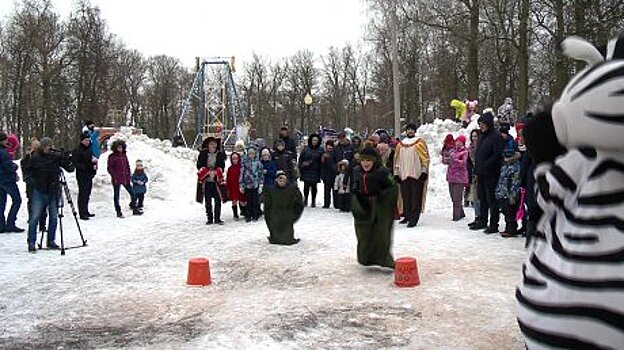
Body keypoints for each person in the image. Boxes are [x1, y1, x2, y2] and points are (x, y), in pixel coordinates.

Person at [351, 147, 398, 268]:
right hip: (364, 206)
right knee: (364, 233)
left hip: (380, 207)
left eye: (368, 160)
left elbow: (393, 186)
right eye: (363, 160)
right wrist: (355, 193)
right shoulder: (357, 171)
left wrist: (381, 196)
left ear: (374, 161)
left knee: (380, 234)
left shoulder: (382, 172)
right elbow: (356, 184)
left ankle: (384, 259)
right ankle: (366, 258)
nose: (365, 163)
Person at [27, 137, 74, 252]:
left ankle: (51, 240)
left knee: (54, 217)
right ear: (42, 147)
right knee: (35, 217)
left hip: (53, 189)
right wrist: (33, 183)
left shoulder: (55, 157)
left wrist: (67, 159)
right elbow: (28, 172)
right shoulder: (35, 158)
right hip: (39, 190)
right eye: (48, 145)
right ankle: (31, 242)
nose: (50, 147)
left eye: (51, 145)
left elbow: (70, 169)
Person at [469, 111, 504, 233]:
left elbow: (497, 154)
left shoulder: (496, 136)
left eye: (483, 123)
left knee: (491, 199)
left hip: (491, 173)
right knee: (482, 198)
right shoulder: (482, 136)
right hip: (481, 173)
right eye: (480, 124)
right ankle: (482, 220)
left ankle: (494, 224)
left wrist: (486, 164)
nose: (481, 126)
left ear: (488, 124)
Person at [393, 123, 430, 228]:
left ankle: (414, 218)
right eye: (408, 129)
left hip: (416, 174)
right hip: (404, 174)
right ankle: (407, 215)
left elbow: (425, 159)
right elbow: (397, 160)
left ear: (415, 131)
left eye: (412, 129)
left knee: (415, 197)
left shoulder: (419, 143)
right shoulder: (401, 144)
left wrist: (424, 171)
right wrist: (396, 173)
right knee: (406, 197)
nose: (410, 131)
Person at [264, 171, 304, 245]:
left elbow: (299, 203)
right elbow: (267, 206)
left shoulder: (293, 189)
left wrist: (294, 215)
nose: (282, 182)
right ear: (276, 180)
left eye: (283, 180)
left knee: (286, 239)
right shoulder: (271, 190)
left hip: (287, 215)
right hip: (275, 215)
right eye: (280, 180)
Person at [496, 126, 522, 237]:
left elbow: (516, 181)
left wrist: (513, 194)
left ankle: (511, 228)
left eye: (508, 156)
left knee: (511, 211)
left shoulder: (515, 167)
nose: (506, 158)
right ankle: (508, 227)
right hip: (503, 192)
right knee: (506, 211)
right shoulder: (504, 166)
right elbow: (501, 179)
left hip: (511, 193)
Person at [107, 140, 142, 218]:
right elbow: (110, 168)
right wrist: (114, 176)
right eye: (118, 147)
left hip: (125, 178)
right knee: (116, 196)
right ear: (115, 148)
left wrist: (129, 175)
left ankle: (134, 208)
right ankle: (118, 212)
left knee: (133, 193)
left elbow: (127, 166)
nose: (120, 149)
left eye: (121, 147)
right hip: (116, 179)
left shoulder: (124, 156)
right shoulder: (112, 156)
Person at [197, 137, 226, 225]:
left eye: (214, 144)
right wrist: (208, 172)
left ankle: (217, 218)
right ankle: (209, 218)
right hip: (206, 181)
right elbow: (199, 165)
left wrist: (216, 172)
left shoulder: (220, 154)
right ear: (208, 145)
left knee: (218, 200)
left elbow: (222, 166)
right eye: (211, 144)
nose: (213, 146)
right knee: (208, 200)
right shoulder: (203, 154)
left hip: (216, 180)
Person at [0, 132, 24, 233]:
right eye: (5, 140)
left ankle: (1, 225)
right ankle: (10, 223)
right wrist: (15, 167)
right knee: (17, 200)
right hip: (7, 180)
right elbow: (9, 166)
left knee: (1, 202)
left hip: (1, 180)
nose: (7, 142)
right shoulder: (3, 152)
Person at [21, 139, 46, 232]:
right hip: (31, 183)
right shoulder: (26, 159)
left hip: (40, 182)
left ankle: (42, 224)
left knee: (42, 203)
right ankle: (33, 220)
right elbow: (25, 170)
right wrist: (28, 157)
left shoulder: (40, 157)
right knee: (32, 202)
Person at [72, 132, 97, 220]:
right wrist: (85, 166)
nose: (87, 142)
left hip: (89, 174)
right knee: (83, 193)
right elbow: (75, 163)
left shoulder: (89, 150)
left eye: (88, 140)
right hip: (82, 175)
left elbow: (91, 160)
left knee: (88, 193)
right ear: (82, 141)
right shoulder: (77, 150)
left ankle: (86, 210)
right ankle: (82, 212)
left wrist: (94, 166)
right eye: (85, 140)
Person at [446, 135, 469, 221]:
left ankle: (456, 216)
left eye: (460, 142)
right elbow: (446, 161)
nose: (457, 143)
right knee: (453, 197)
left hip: (460, 178)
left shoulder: (465, 152)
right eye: (457, 141)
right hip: (451, 177)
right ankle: (461, 212)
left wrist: (454, 159)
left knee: (457, 198)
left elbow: (463, 163)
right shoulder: (452, 151)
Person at [239, 145, 263, 222]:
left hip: (255, 185)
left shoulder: (258, 163)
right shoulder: (245, 162)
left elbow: (261, 174)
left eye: (253, 153)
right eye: (250, 154)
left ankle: (255, 214)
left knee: (255, 201)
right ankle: (248, 215)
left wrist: (261, 185)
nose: (251, 155)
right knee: (248, 201)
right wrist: (241, 184)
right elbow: (241, 173)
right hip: (247, 185)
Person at [298, 133, 323, 207]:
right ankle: (305, 199)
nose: (314, 142)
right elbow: (300, 159)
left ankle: (313, 200)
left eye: (316, 140)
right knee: (306, 186)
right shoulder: (306, 149)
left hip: (316, 170)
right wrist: (302, 165)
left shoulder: (320, 150)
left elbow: (322, 161)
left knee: (314, 187)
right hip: (306, 169)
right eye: (313, 140)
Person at [466, 129, 481, 225]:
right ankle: (477, 216)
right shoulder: (470, 148)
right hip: (472, 174)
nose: (474, 138)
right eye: (473, 136)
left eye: (476, 136)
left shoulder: (481, 147)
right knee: (474, 197)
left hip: (480, 174)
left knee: (480, 197)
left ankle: (481, 217)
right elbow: (468, 162)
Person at [226, 152, 246, 220]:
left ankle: (244, 211)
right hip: (233, 187)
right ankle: (235, 214)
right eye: (233, 159)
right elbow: (228, 178)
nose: (235, 160)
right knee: (234, 200)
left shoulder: (241, 167)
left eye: (236, 159)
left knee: (242, 200)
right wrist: (228, 187)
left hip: (240, 186)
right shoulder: (230, 168)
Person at [320, 140, 337, 208]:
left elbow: (335, 164)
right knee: (326, 190)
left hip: (334, 174)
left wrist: (329, 158)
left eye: (331, 146)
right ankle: (326, 203)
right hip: (326, 174)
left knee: (335, 190)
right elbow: (322, 165)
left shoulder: (335, 153)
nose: (329, 147)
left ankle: (336, 204)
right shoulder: (323, 153)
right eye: (328, 145)